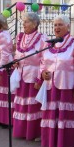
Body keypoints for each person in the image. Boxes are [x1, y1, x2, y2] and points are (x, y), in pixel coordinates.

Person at [37, 15, 74, 147]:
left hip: (67, 85)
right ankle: (52, 141)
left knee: (66, 115)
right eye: (55, 25)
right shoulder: (49, 43)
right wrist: (43, 72)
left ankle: (67, 143)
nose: (57, 28)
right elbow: (42, 62)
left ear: (68, 26)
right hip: (50, 85)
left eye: (60, 25)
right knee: (52, 114)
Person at [12, 12, 47, 140]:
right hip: (21, 74)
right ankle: (21, 131)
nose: (24, 24)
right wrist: (15, 61)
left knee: (32, 105)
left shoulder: (42, 38)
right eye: (24, 21)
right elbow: (17, 53)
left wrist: (40, 77)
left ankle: (34, 132)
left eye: (26, 21)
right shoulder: (20, 36)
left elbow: (44, 59)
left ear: (34, 24)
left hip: (33, 74)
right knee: (21, 104)